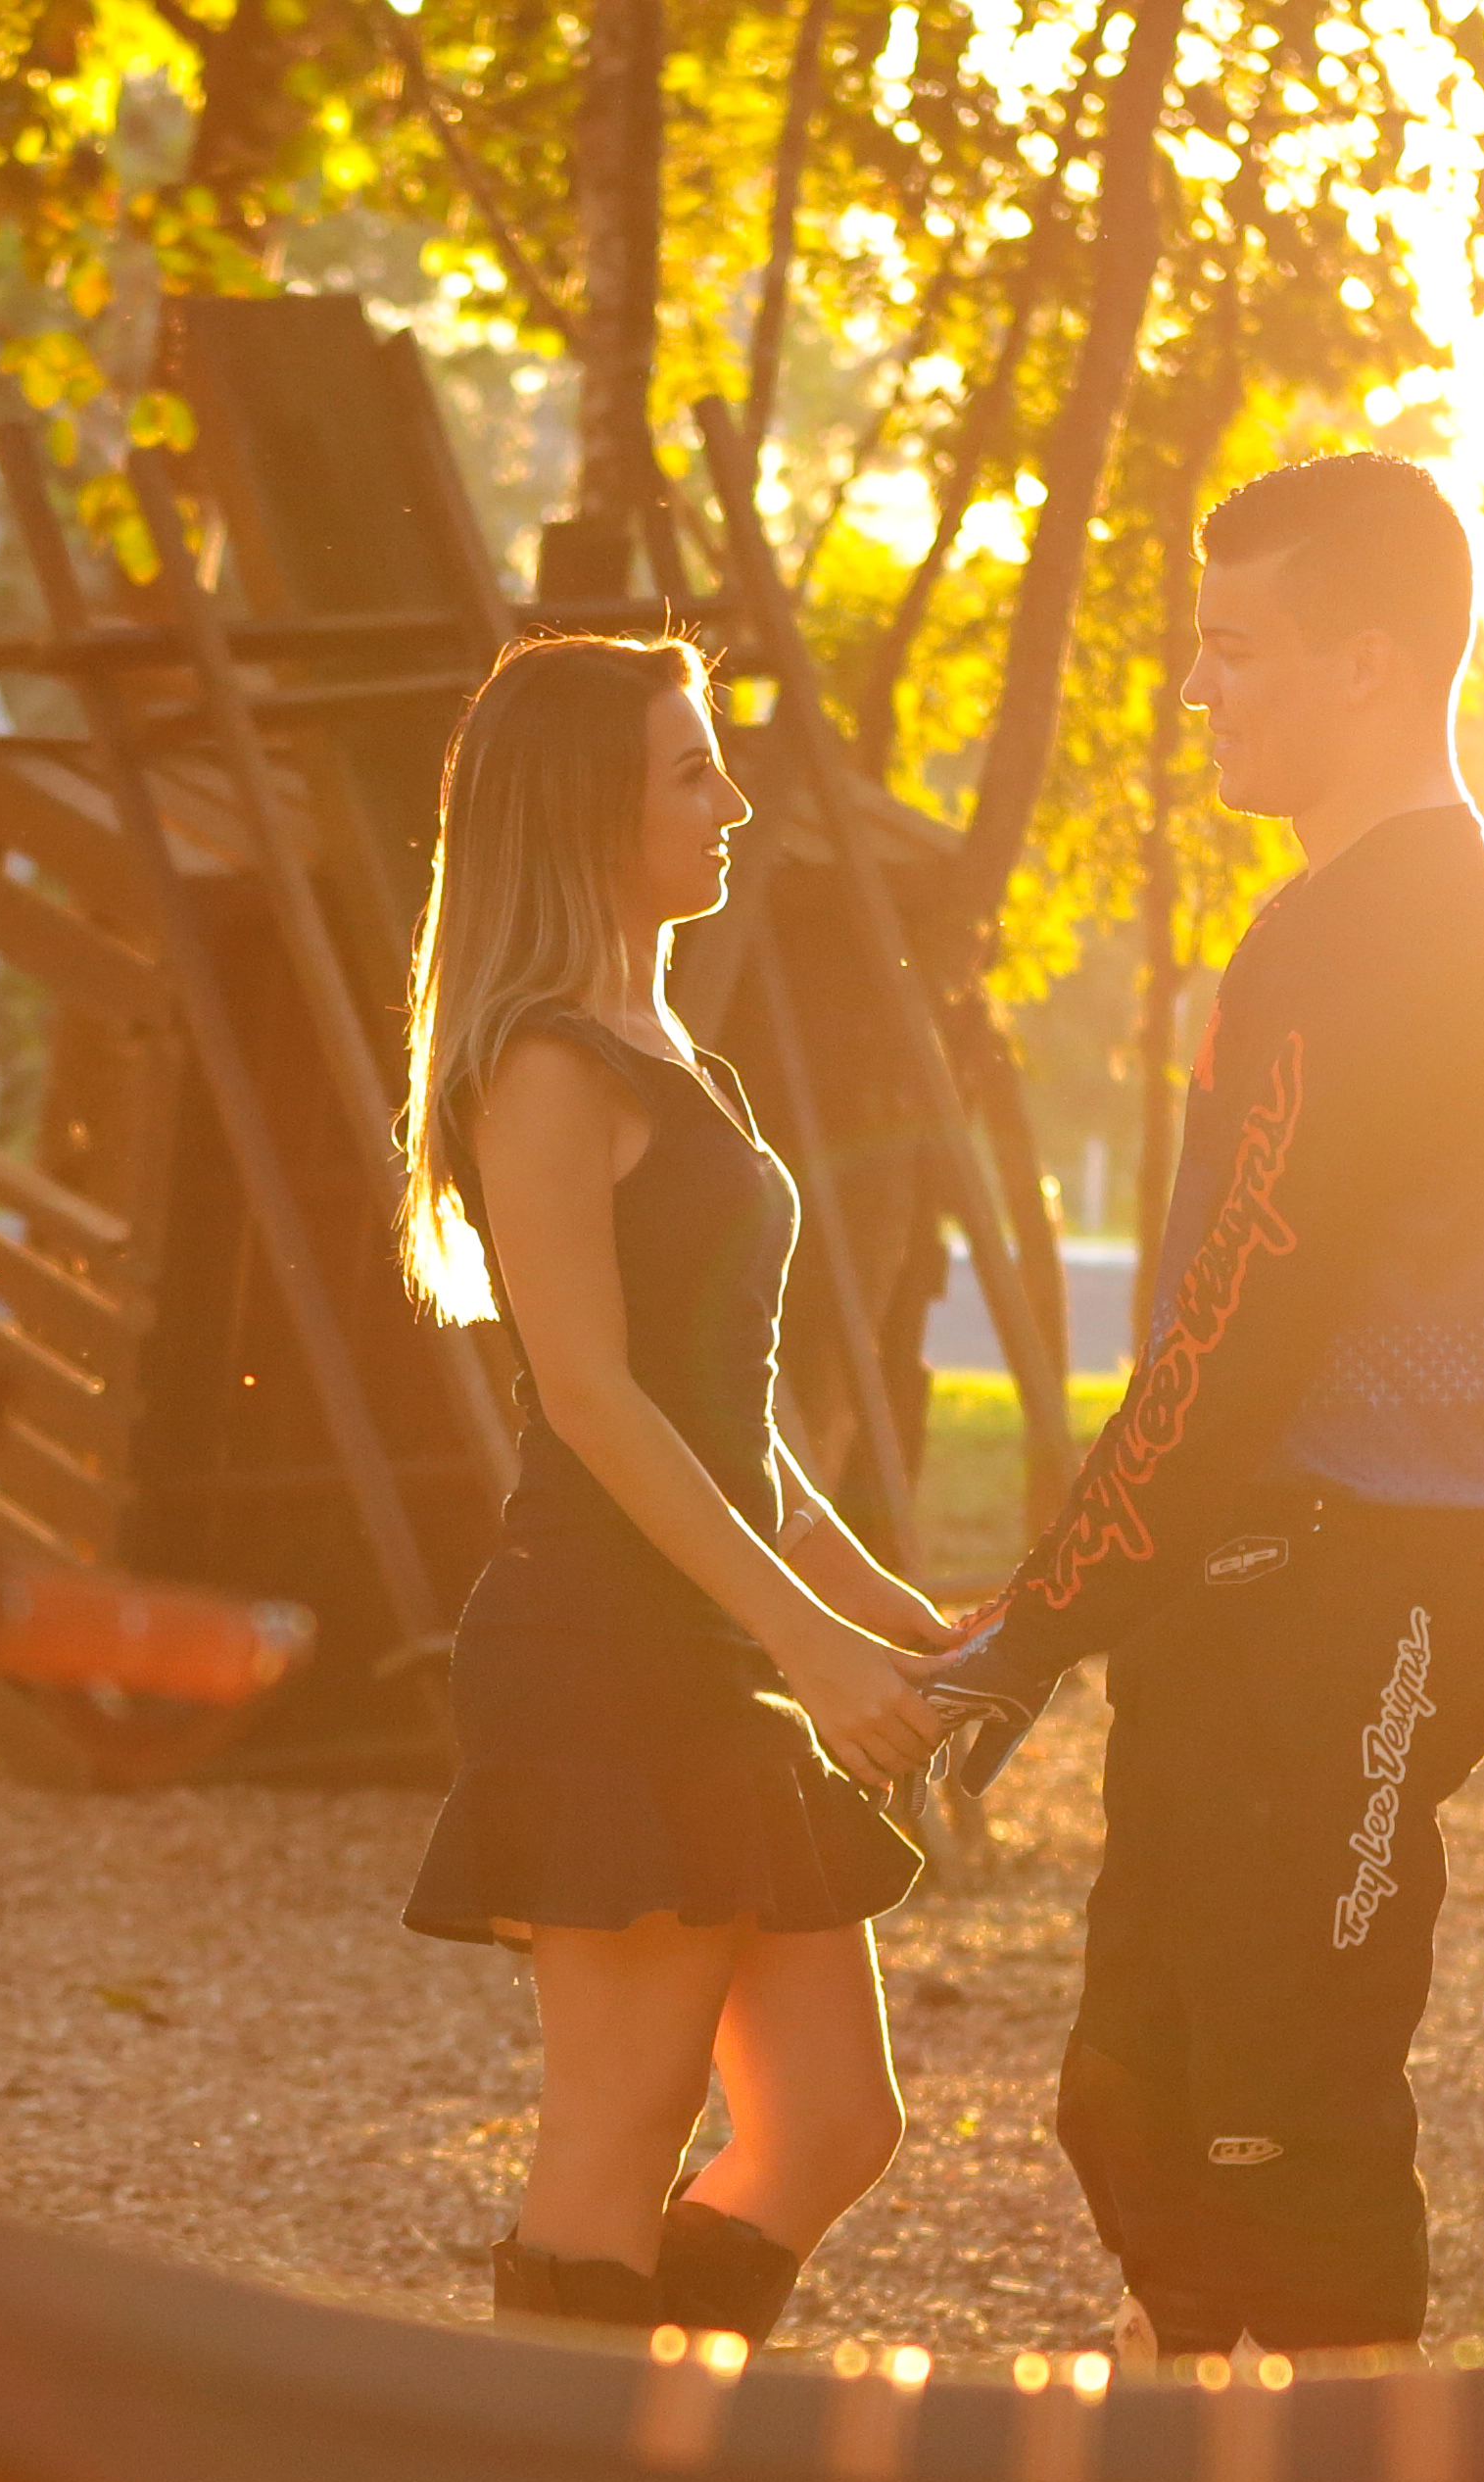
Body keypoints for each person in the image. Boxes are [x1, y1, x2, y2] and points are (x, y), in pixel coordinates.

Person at [920, 450, 1484, 2359]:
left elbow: (1239, 1329)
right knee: (1132, 2099)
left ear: (1369, 667)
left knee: (1287, 2132)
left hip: (1368, 1600)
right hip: (1252, 1589)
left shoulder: (1395, 930)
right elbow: (1228, 1330)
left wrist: (1037, 1624)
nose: (1196, 690)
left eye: (1234, 651)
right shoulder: (1331, 922)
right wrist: (1083, 1610)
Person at [397, 634, 951, 2343]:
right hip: (600, 1651)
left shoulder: (667, 1055)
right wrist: (813, 1648)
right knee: (617, 2135)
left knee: (832, 2124)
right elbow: (593, 1402)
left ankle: (639, 2432)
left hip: (703, 1647)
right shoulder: (548, 1067)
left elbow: (733, 1417)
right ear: (585, 813)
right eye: (692, 770)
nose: (733, 802)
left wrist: (893, 1616)